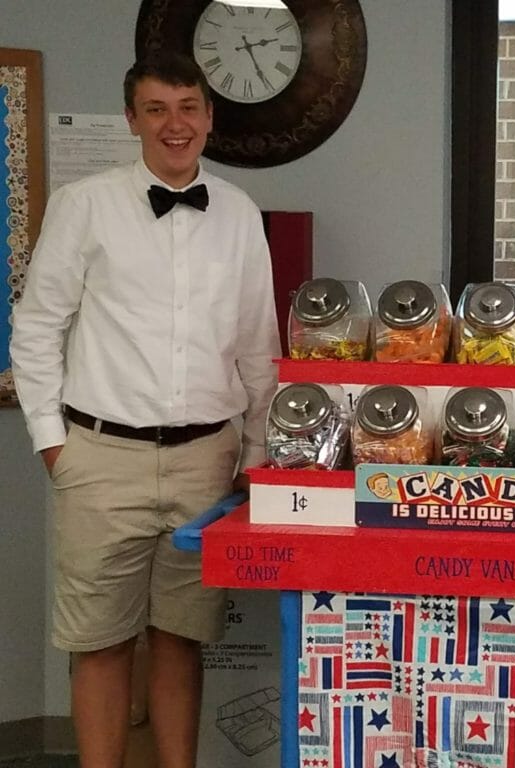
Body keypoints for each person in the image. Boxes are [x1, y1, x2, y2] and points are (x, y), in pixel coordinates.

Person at [11, 54, 279, 768]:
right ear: (132, 119)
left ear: (209, 118)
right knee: (98, 643)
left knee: (180, 639)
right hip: (100, 458)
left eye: (188, 107)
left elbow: (260, 348)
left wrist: (254, 455)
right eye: (157, 109)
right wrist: (54, 447)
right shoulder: (84, 204)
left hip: (206, 460)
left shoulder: (240, 215)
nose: (175, 124)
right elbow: (35, 330)